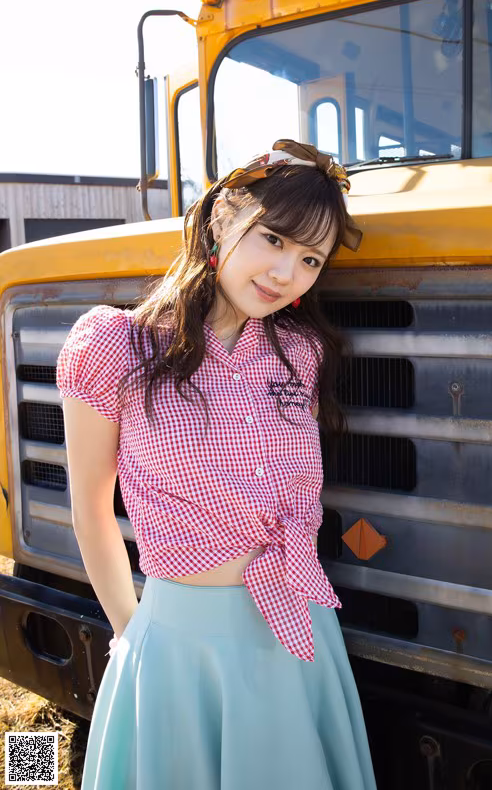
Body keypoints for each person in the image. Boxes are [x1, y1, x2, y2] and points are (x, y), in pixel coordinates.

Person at [56, 139, 377, 790]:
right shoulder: (117, 346)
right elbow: (91, 507)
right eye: (275, 240)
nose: (288, 272)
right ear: (222, 219)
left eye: (311, 258)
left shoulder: (302, 353)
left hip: (299, 630)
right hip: (180, 640)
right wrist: (133, 637)